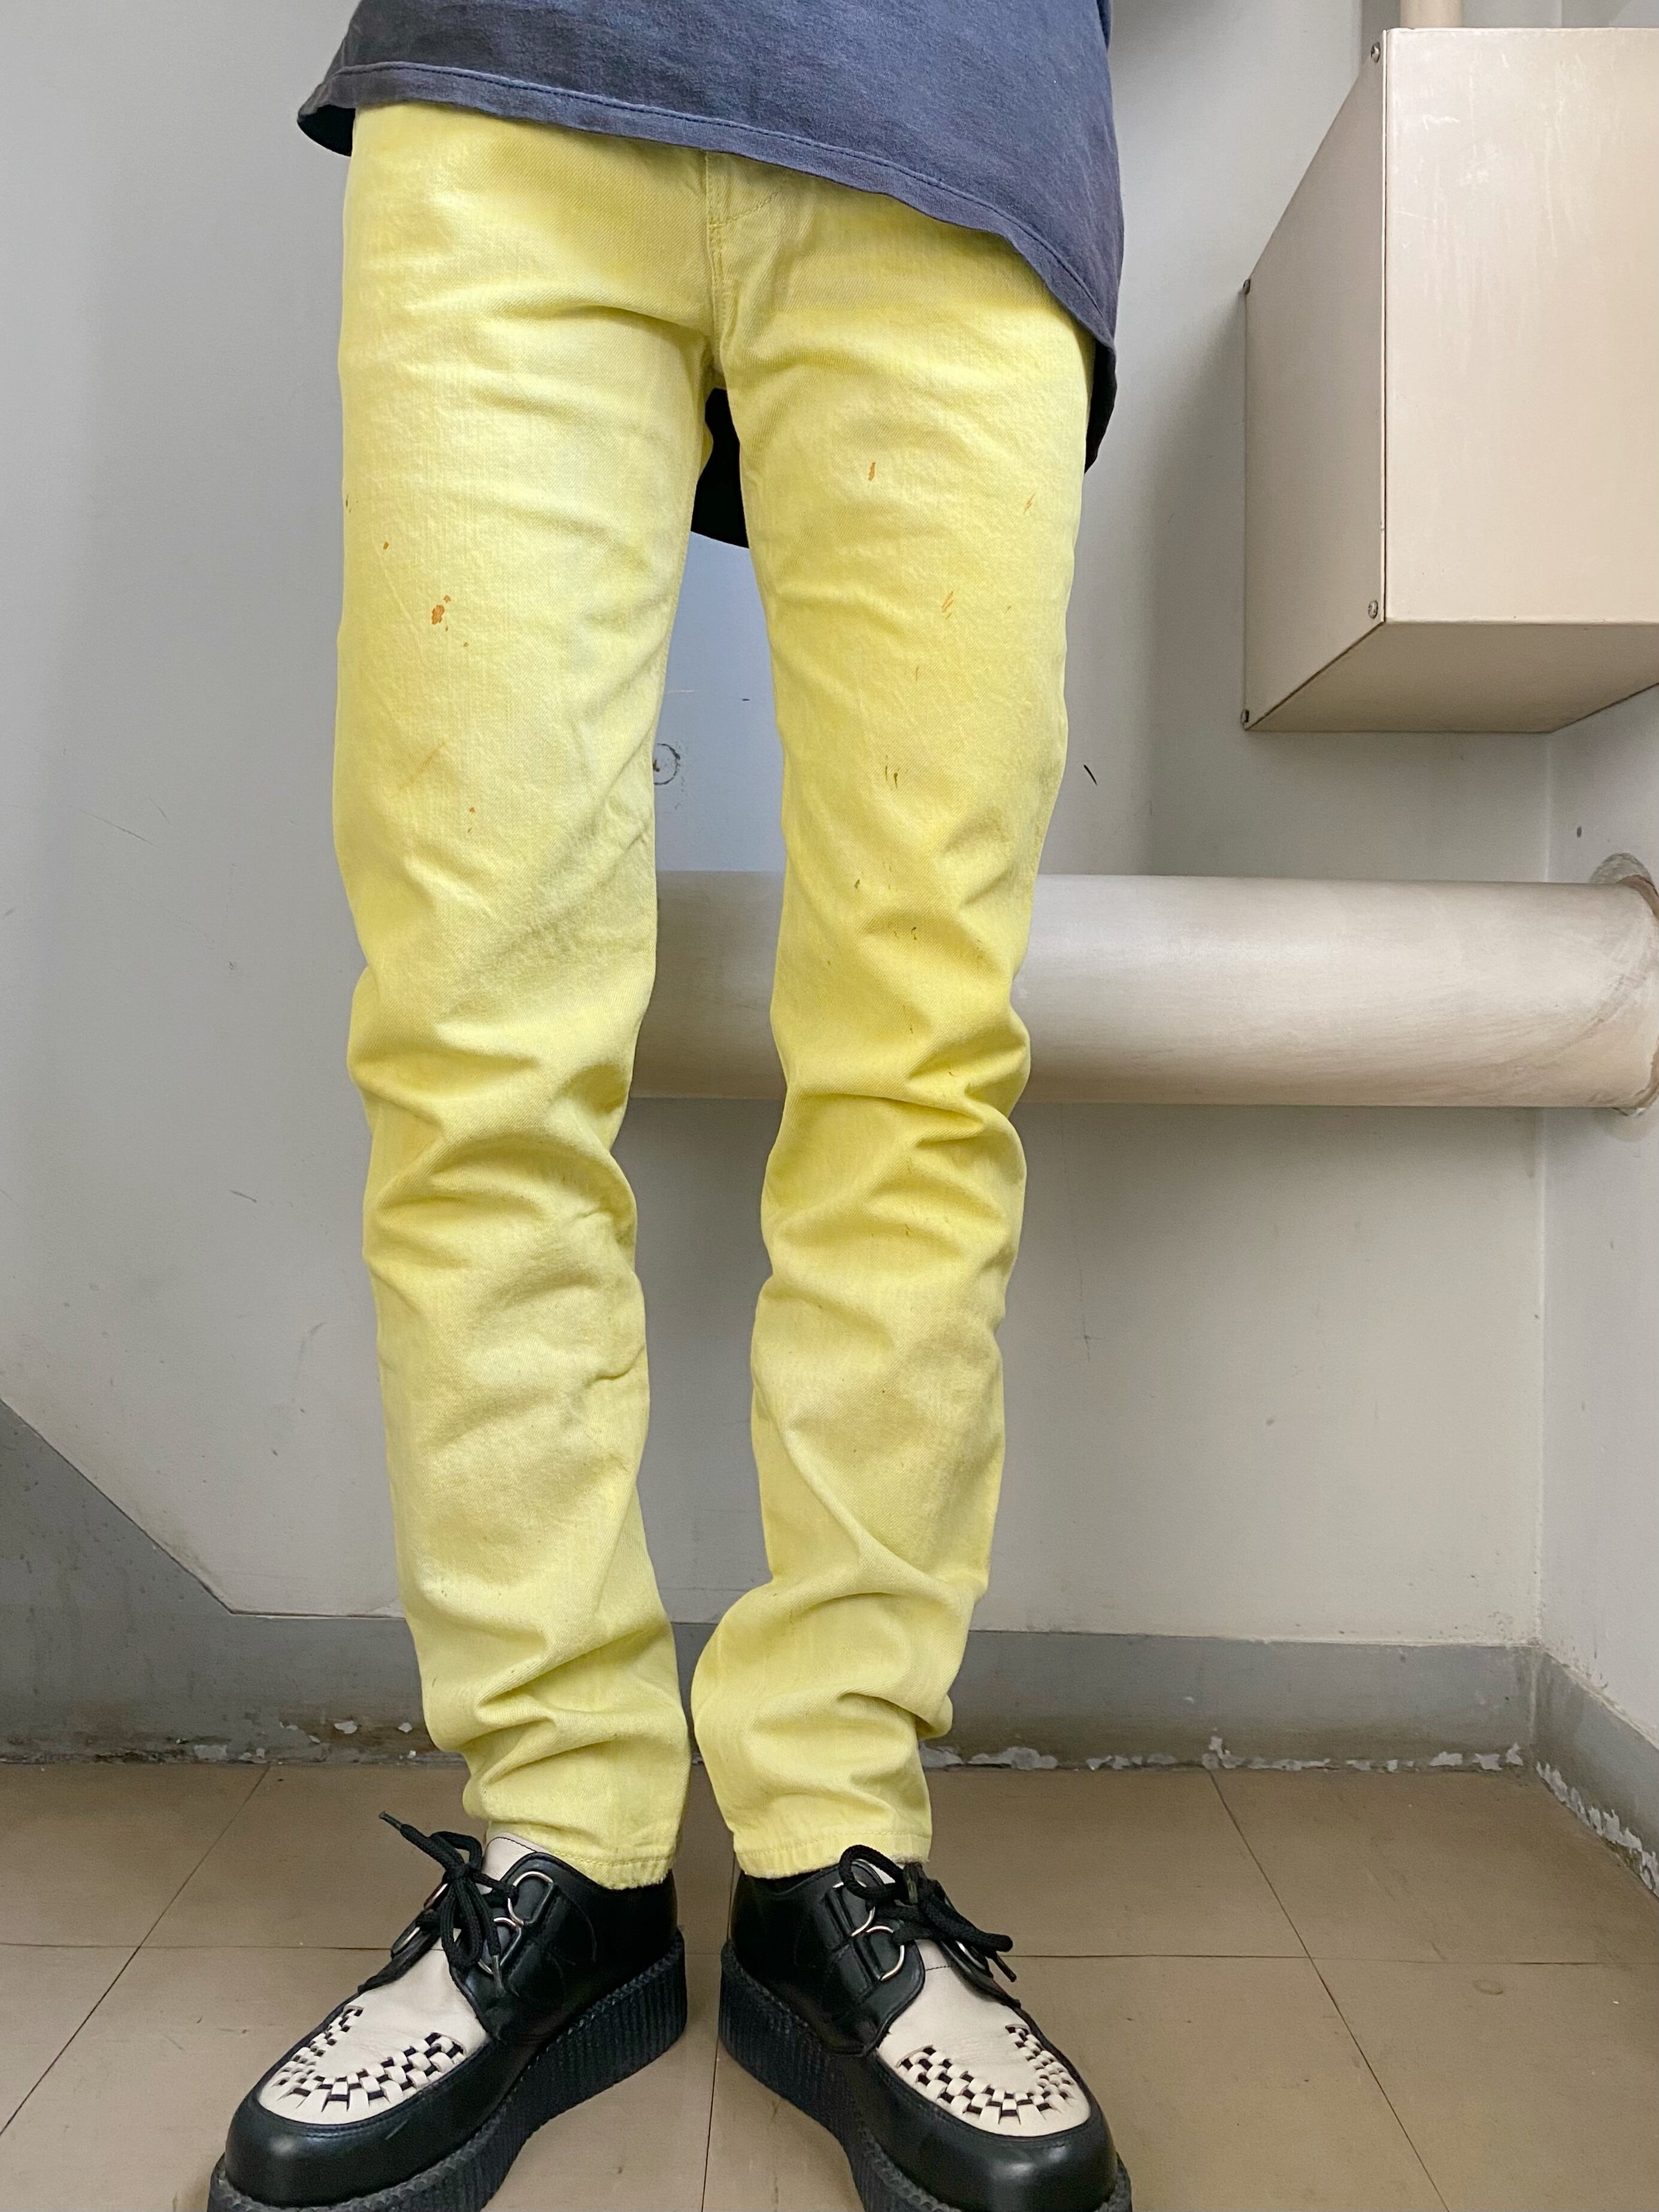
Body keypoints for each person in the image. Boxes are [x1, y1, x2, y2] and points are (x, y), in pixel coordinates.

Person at [210, 7, 1128, 2210]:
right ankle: (568, 1848)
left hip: (956, 118)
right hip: (512, 86)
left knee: (918, 1052)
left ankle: (833, 1857)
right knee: (475, 1044)